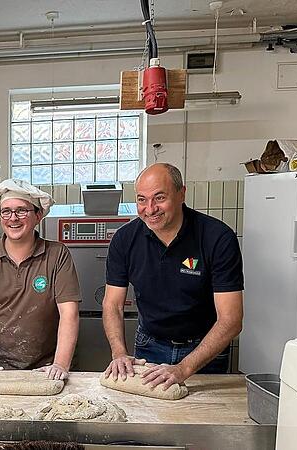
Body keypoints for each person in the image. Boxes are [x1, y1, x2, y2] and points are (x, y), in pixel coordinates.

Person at [103, 163, 244, 390]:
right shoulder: (124, 240)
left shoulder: (217, 238)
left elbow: (231, 320)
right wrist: (119, 352)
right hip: (149, 345)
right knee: (146, 419)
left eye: (159, 198)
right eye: (141, 199)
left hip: (204, 351)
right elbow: (113, 305)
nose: (150, 209)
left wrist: (183, 368)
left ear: (181, 194)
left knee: (200, 417)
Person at [0, 179, 80, 380]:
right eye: (6, 211)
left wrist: (60, 364)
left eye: (21, 211)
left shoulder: (57, 255)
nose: (13, 218)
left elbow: (69, 313)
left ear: (38, 216)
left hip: (46, 368)